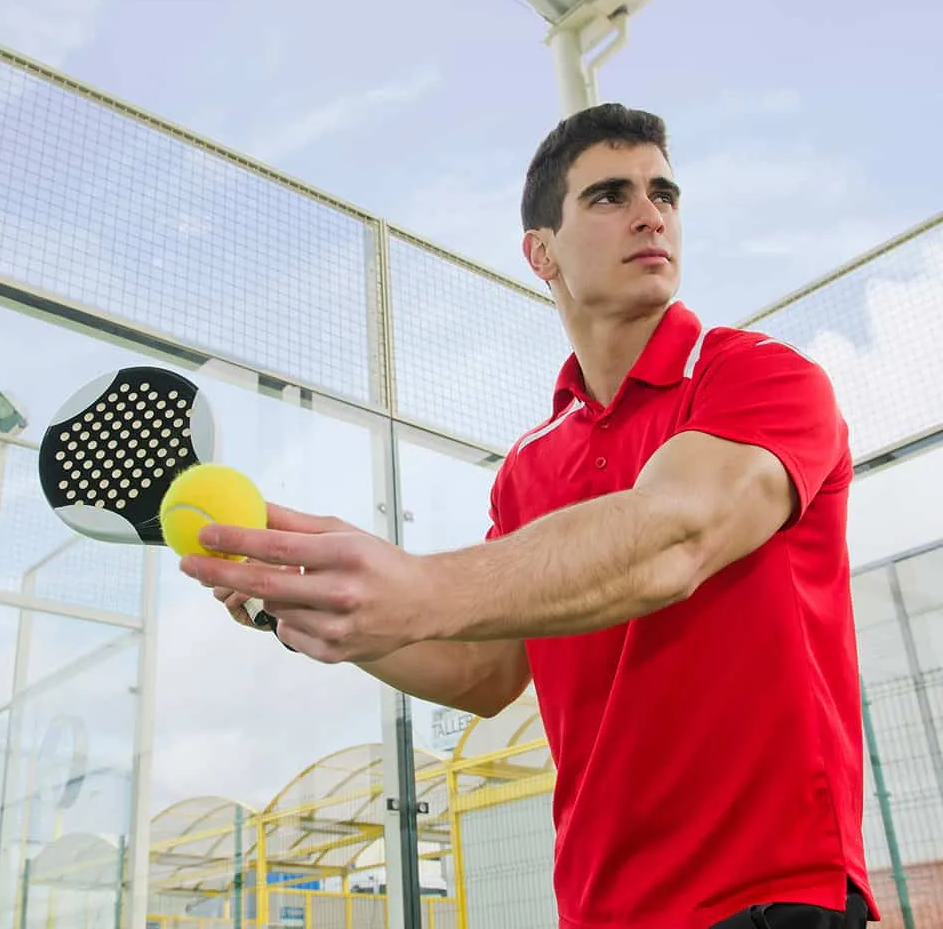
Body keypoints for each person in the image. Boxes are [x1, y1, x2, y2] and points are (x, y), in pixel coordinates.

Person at [179, 103, 878, 929]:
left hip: (766, 895)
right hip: (599, 907)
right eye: (610, 196)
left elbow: (675, 534)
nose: (651, 214)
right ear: (539, 252)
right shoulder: (527, 466)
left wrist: (414, 583)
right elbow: (485, 672)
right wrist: (309, 598)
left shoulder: (758, 376)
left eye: (665, 192)